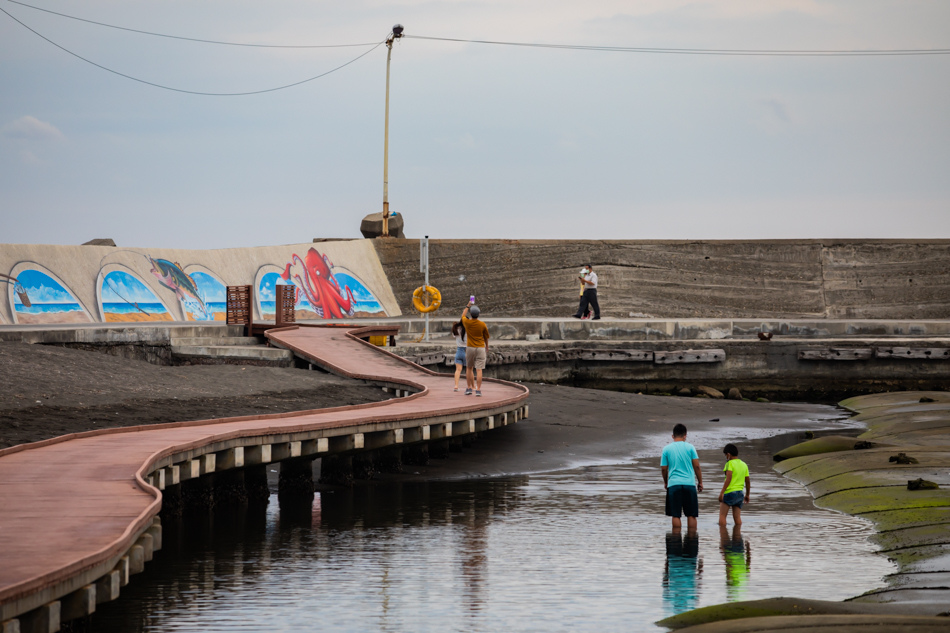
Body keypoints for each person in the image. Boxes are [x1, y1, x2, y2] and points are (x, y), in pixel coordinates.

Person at [660, 423, 703, 531]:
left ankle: (676, 542)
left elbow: (664, 469)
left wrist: (666, 482)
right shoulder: (690, 447)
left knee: (675, 515)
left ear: (672, 436)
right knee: (691, 515)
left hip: (673, 484)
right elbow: (697, 466)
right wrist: (700, 482)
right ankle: (692, 540)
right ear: (685, 435)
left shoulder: (666, 449)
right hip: (689, 484)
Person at [461, 301, 490, 396]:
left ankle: (469, 388)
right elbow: (486, 337)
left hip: (470, 347)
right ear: (479, 314)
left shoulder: (467, 323)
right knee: (479, 370)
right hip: (480, 347)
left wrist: (467, 306)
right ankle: (478, 390)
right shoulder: (482, 324)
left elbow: (463, 316)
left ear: (471, 314)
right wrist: (487, 346)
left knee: (469, 368)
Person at [718, 443, 750, 527]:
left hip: (729, 492)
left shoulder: (729, 464)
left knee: (722, 516)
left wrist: (722, 493)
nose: (726, 457)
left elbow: (728, 479)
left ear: (728, 454)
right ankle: (738, 537)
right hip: (740, 493)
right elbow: (748, 482)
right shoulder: (744, 465)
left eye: (725, 455)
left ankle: (723, 537)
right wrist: (747, 494)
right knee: (737, 518)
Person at [450, 319, 466, 391]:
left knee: (458, 370)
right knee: (469, 370)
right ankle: (471, 386)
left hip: (459, 351)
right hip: (467, 351)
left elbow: (453, 336)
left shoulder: (456, 329)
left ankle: (456, 386)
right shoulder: (468, 330)